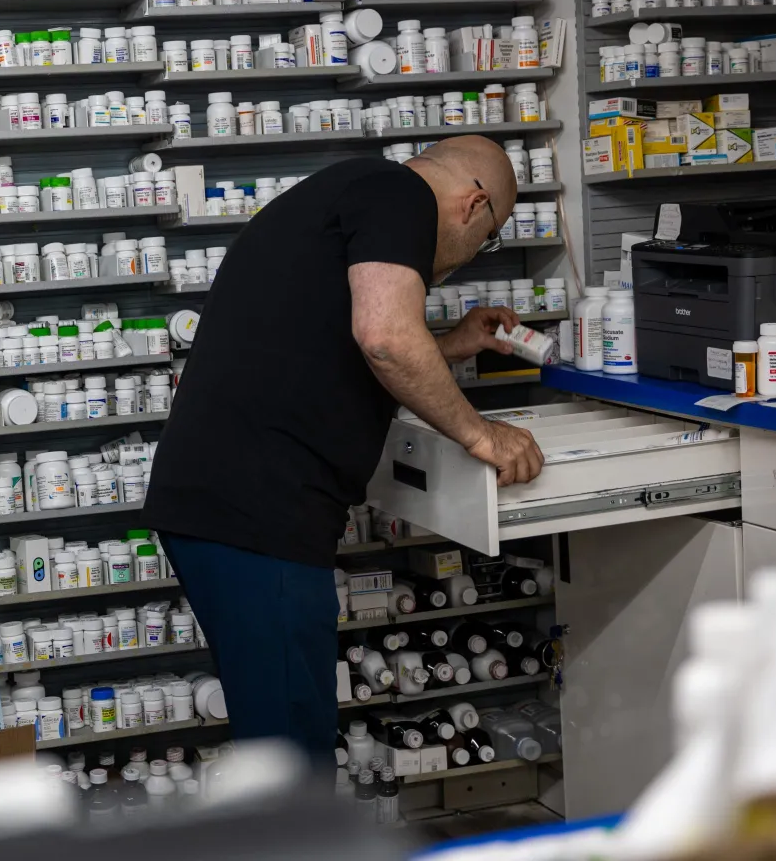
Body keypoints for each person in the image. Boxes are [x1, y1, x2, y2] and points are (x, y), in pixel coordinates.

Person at [142, 137, 545, 759]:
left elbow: (343, 348)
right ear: (474, 204)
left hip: (234, 510)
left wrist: (448, 344)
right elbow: (384, 337)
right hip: (258, 516)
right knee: (291, 750)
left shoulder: (354, 193)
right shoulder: (398, 191)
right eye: (490, 239)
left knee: (281, 730)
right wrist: (482, 434)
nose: (473, 255)